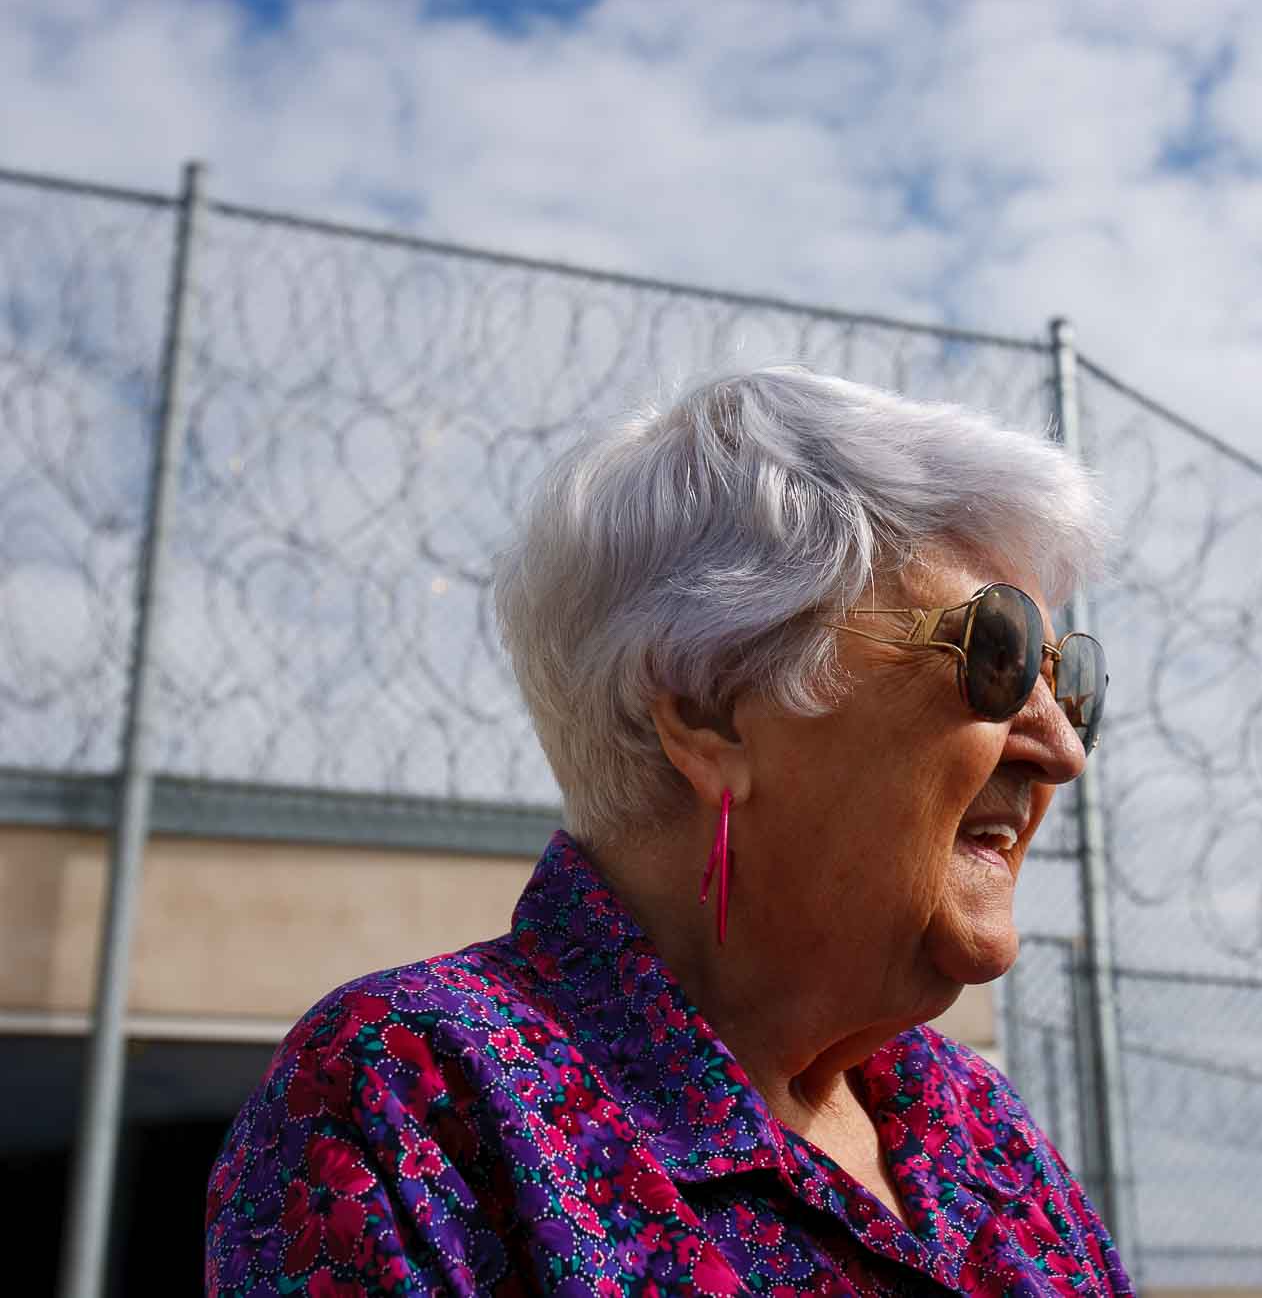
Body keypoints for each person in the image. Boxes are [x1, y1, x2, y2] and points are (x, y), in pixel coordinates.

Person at [204, 366, 1128, 1297]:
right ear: (712, 712)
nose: (1060, 747)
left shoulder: (978, 1130)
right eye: (997, 655)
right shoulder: (420, 1108)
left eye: (1068, 679)